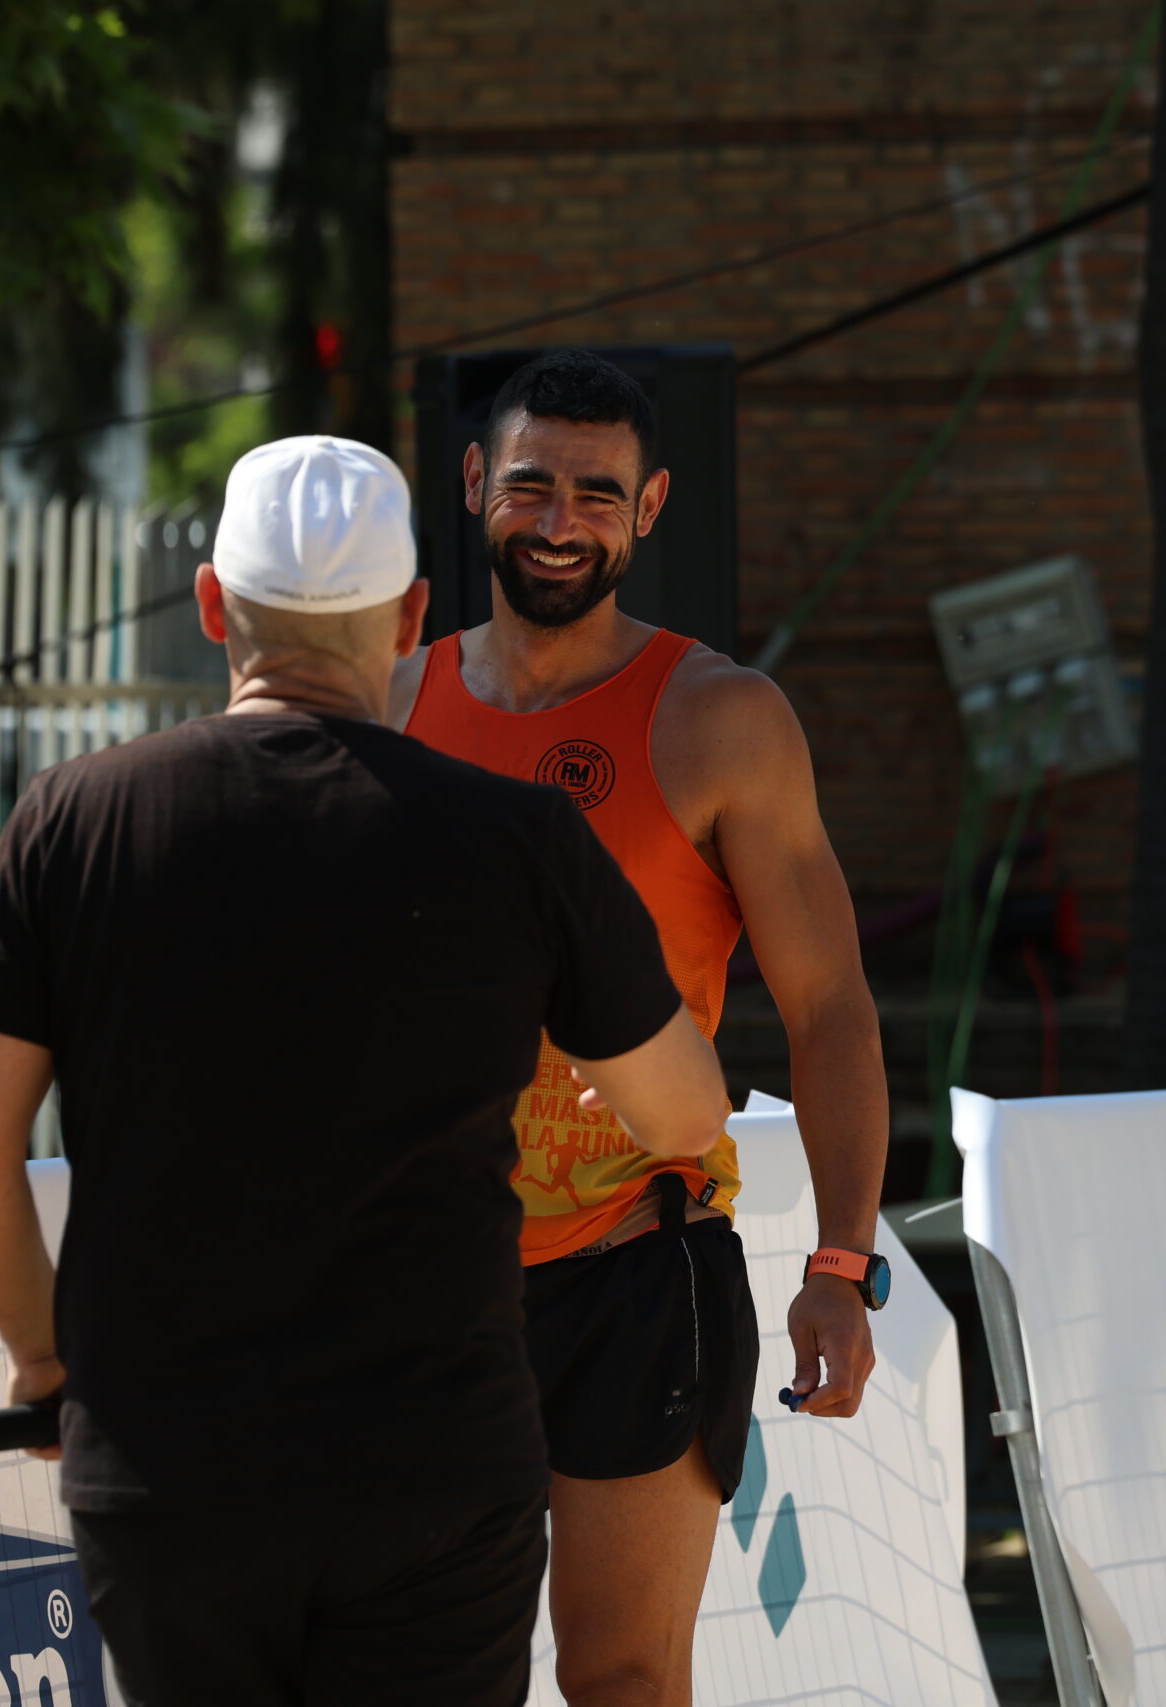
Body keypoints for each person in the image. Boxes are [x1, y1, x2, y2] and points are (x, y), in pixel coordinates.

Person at [0, 434, 732, 1706]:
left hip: (170, 1461)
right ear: (409, 619)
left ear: (210, 605)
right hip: (434, 1461)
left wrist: (44, 1364)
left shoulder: (70, 818)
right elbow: (685, 1113)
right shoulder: (520, 838)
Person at [391, 350, 893, 1706]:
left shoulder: (723, 720)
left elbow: (830, 1006)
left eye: (598, 493)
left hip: (634, 1264)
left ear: (651, 507)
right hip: (428, 1278)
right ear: (473, 482)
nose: (560, 521)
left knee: (620, 1675)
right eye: (532, 483)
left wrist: (841, 1260)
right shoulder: (387, 702)